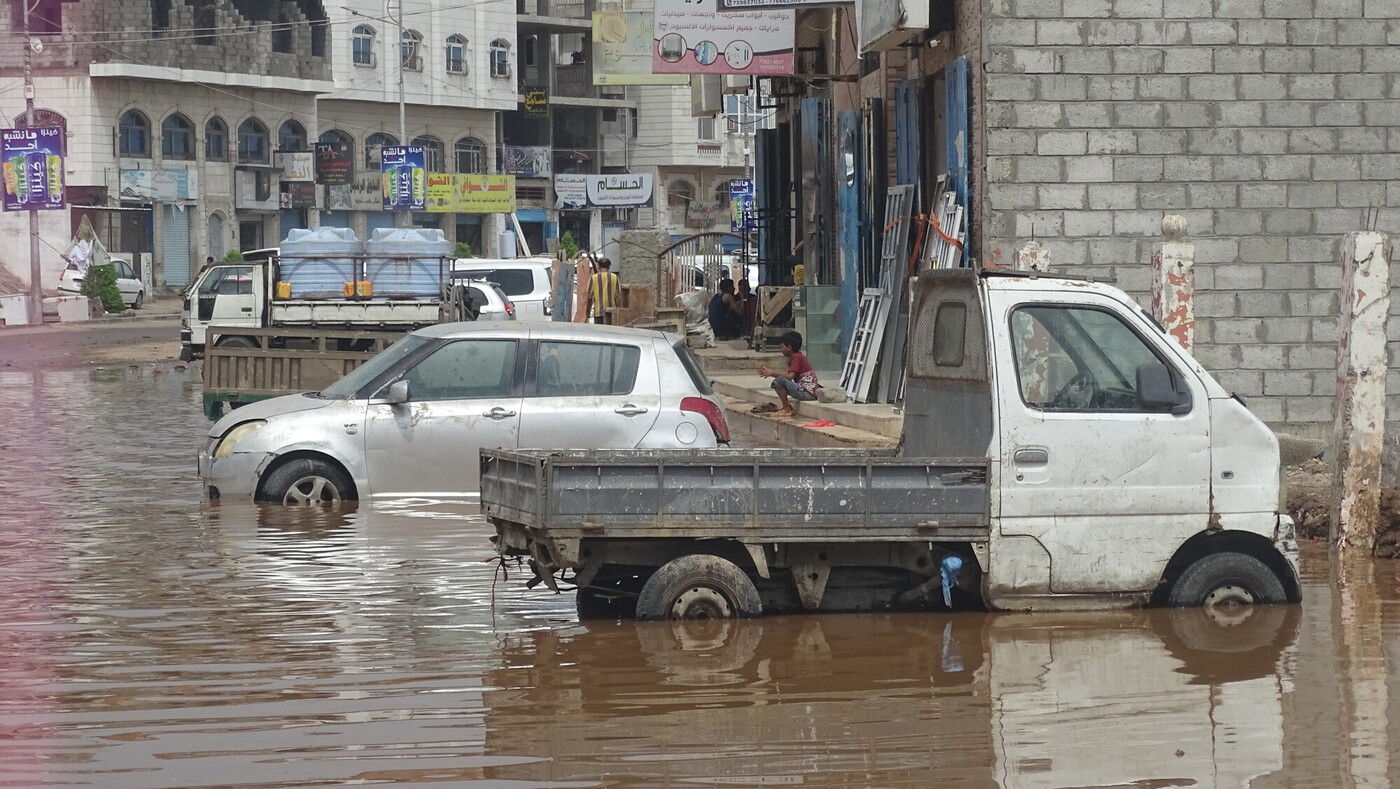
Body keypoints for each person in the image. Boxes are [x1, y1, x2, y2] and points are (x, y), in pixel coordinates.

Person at [758, 330, 818, 418]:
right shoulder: (797, 356)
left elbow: (790, 377)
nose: (780, 349)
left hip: (807, 393)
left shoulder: (797, 357)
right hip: (806, 391)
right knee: (780, 381)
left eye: (782, 347)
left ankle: (787, 409)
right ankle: (786, 408)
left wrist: (773, 372)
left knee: (778, 382)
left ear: (789, 347)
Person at [586, 257, 620, 325]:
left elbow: (589, 297)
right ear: (609, 266)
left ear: (599, 266)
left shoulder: (593, 278)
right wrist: (619, 310)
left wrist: (588, 310)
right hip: (611, 312)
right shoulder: (615, 277)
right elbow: (617, 296)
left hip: (598, 312)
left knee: (600, 333)